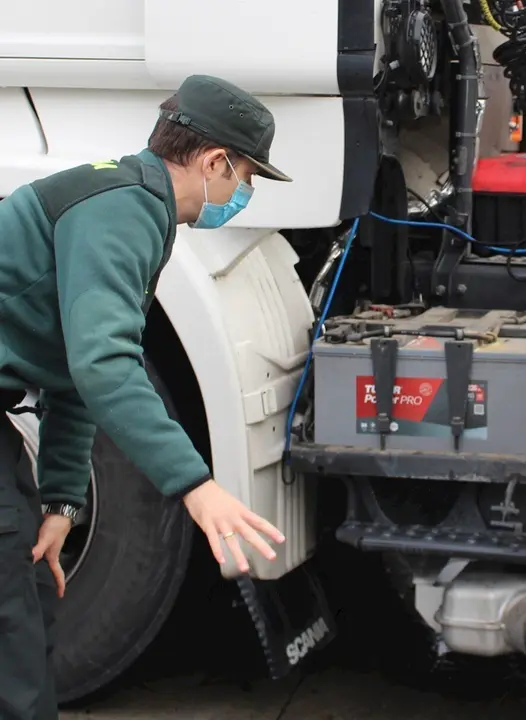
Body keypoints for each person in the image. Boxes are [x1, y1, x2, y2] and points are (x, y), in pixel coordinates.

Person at [0, 74, 292, 719]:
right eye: (246, 177)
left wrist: (62, 502)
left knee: (26, 592)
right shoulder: (122, 210)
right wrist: (196, 485)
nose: (243, 194)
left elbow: (72, 372)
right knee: (11, 624)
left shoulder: (134, 204)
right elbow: (105, 365)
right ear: (215, 162)